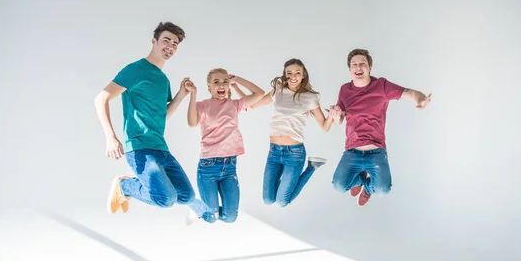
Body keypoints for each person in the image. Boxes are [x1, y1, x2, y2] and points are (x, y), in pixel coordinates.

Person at [94, 21, 197, 214]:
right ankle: (124, 186)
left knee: (186, 196)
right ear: (154, 41)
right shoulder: (136, 70)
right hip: (139, 148)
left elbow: (162, 116)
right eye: (166, 40)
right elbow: (101, 99)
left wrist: (181, 95)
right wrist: (110, 137)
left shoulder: (163, 79)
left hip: (161, 148)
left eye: (175, 44)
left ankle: (128, 188)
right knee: (165, 198)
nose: (171, 46)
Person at [330, 48, 432, 207]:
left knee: (383, 190)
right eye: (354, 64)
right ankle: (360, 178)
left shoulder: (381, 86)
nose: (358, 67)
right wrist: (336, 117)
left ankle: (368, 188)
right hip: (352, 150)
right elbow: (339, 119)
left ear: (370, 67)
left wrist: (421, 99)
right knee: (339, 186)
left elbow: (410, 92)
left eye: (362, 64)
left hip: (376, 151)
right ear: (349, 69)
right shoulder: (345, 90)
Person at [234, 58, 338, 207]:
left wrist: (332, 116)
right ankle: (292, 180)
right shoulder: (278, 90)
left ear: (303, 75)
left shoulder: (310, 97)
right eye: (289, 73)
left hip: (294, 154)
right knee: (268, 200)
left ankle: (312, 166)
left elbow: (324, 126)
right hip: (274, 151)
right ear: (285, 74)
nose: (293, 76)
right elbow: (252, 104)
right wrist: (236, 84)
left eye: (297, 73)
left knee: (282, 201)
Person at [185, 69, 265, 224]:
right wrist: (193, 94)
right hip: (208, 166)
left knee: (230, 217)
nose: (221, 85)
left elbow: (259, 93)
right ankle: (195, 207)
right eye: (216, 82)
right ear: (209, 87)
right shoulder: (203, 105)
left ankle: (202, 209)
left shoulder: (234, 105)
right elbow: (192, 123)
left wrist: (238, 80)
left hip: (230, 167)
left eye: (225, 81)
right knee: (211, 218)